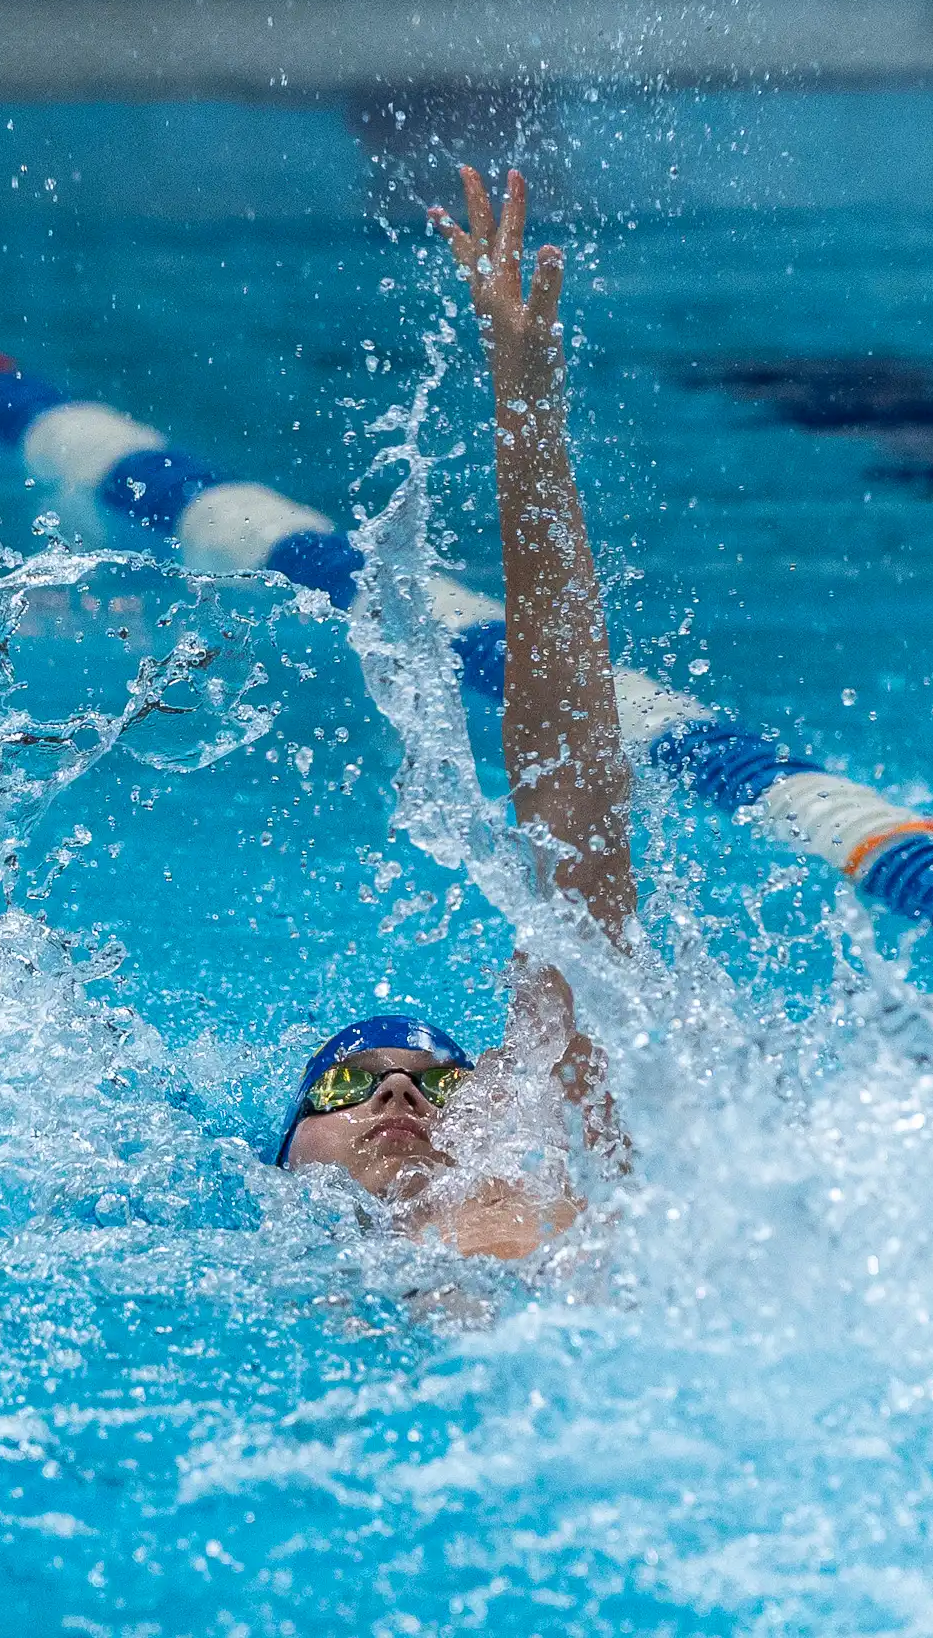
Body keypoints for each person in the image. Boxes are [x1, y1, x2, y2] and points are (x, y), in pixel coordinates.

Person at [273, 166, 636, 1261]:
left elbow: (568, 782)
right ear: (283, 1152)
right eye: (346, 1079)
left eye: (442, 1079)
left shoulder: (559, 1173)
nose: (398, 1094)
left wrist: (526, 405)